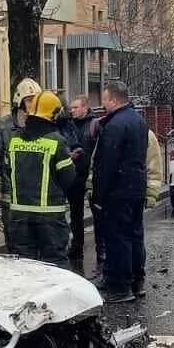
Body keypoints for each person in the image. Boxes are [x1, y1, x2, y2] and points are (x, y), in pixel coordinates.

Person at [89, 80, 148, 303]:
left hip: (117, 191)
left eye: (104, 100)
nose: (103, 105)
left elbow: (107, 164)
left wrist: (99, 196)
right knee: (135, 235)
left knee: (118, 238)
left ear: (113, 100)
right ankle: (137, 280)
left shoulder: (114, 125)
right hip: (136, 188)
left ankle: (120, 287)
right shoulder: (139, 120)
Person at [4, 90, 77, 266]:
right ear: (53, 114)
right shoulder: (56, 141)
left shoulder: (14, 140)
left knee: (26, 266)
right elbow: (68, 178)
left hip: (19, 216)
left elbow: (7, 171)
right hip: (49, 217)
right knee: (55, 264)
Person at [0, 78, 42, 253]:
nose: (32, 104)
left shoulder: (42, 124)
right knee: (15, 242)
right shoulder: (3, 127)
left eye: (36, 99)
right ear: (19, 100)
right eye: (29, 99)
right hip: (11, 198)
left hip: (36, 198)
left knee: (36, 244)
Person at [64, 96, 97, 266]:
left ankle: (101, 249)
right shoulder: (68, 126)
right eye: (71, 108)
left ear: (85, 108)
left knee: (97, 213)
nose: (72, 110)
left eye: (76, 107)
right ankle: (76, 247)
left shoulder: (94, 125)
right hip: (74, 177)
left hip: (90, 177)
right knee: (76, 214)